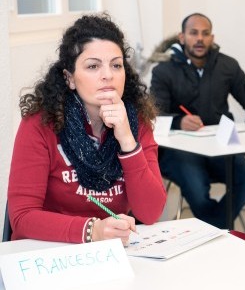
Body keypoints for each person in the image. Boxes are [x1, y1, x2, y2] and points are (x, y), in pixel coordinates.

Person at [7, 13, 167, 245]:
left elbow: (150, 213)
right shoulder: (41, 123)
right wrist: (93, 230)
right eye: (93, 66)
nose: (108, 75)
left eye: (116, 65)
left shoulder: (136, 121)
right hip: (49, 254)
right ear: (69, 78)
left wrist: (127, 141)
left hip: (112, 254)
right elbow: (22, 218)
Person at [150, 13, 245, 228]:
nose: (200, 39)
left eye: (205, 33)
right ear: (182, 37)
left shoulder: (227, 66)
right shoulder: (163, 71)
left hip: (220, 146)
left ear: (212, 38)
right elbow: (153, 116)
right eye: (194, 33)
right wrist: (179, 121)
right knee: (197, 190)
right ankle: (220, 229)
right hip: (179, 151)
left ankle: (213, 228)